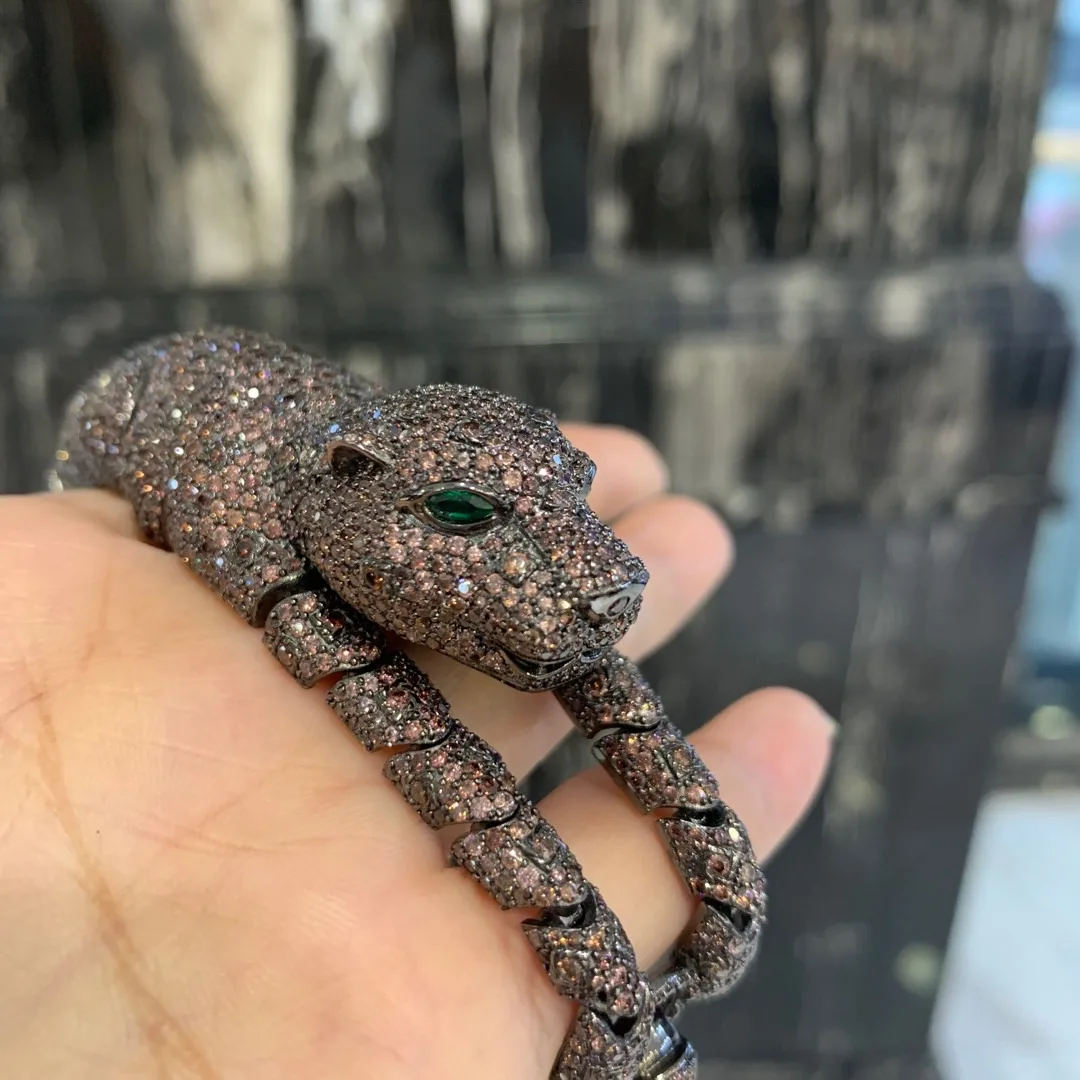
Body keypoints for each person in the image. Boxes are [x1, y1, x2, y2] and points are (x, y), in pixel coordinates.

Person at [0, 422, 834, 1078]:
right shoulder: (277, 515)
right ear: (351, 476)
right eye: (464, 512)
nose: (611, 565)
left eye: (569, 491)